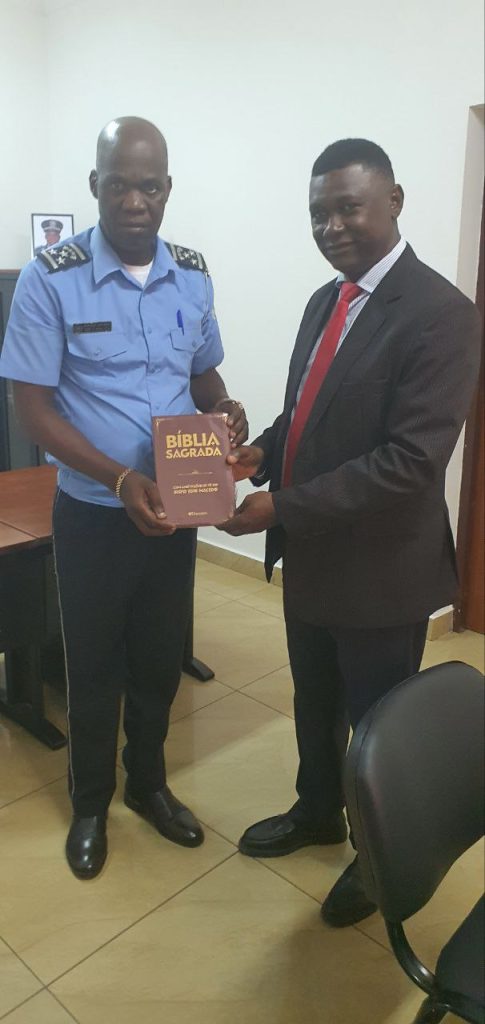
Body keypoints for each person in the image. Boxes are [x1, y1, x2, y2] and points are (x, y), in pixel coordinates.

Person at [219, 138, 481, 927]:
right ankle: (315, 812)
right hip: (312, 558)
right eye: (317, 213)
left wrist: (279, 508)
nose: (330, 226)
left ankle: (377, 863)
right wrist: (261, 454)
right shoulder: (323, 301)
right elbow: (308, 412)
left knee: (378, 727)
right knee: (314, 701)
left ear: (393, 201)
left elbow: (409, 462)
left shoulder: (442, 314)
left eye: (347, 207)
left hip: (381, 571)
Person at [0, 116, 248, 880]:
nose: (134, 201)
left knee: (158, 659)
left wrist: (224, 407)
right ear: (94, 186)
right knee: (93, 665)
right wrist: (117, 478)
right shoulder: (52, 276)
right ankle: (90, 804)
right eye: (118, 185)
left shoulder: (192, 274)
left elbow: (200, 373)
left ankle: (148, 784)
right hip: (94, 514)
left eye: (148, 186)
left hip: (175, 511)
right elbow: (32, 408)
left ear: (166, 189)